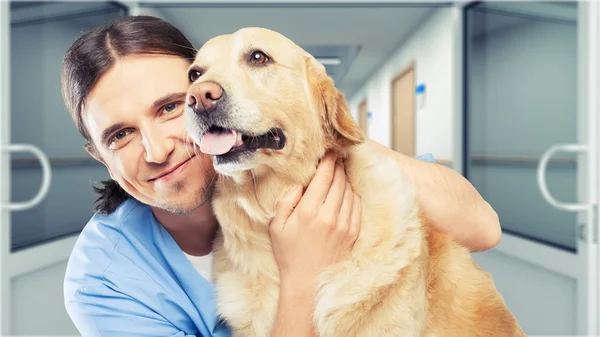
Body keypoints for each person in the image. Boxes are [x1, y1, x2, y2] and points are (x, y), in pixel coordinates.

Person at [61, 15, 501, 337]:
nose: (157, 151)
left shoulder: (330, 170)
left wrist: (330, 129)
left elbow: (482, 227)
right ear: (99, 157)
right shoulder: (102, 280)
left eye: (172, 106)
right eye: (120, 135)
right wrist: (302, 276)